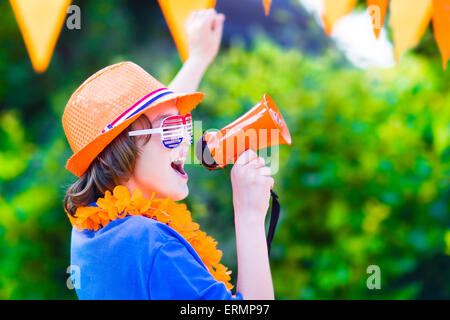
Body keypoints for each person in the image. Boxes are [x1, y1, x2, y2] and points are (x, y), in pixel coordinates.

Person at [63, 9, 274, 300]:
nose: (186, 142)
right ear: (113, 153)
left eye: (186, 127)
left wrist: (198, 58)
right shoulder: (152, 244)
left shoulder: (91, 234)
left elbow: (147, 131)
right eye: (172, 130)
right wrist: (250, 216)